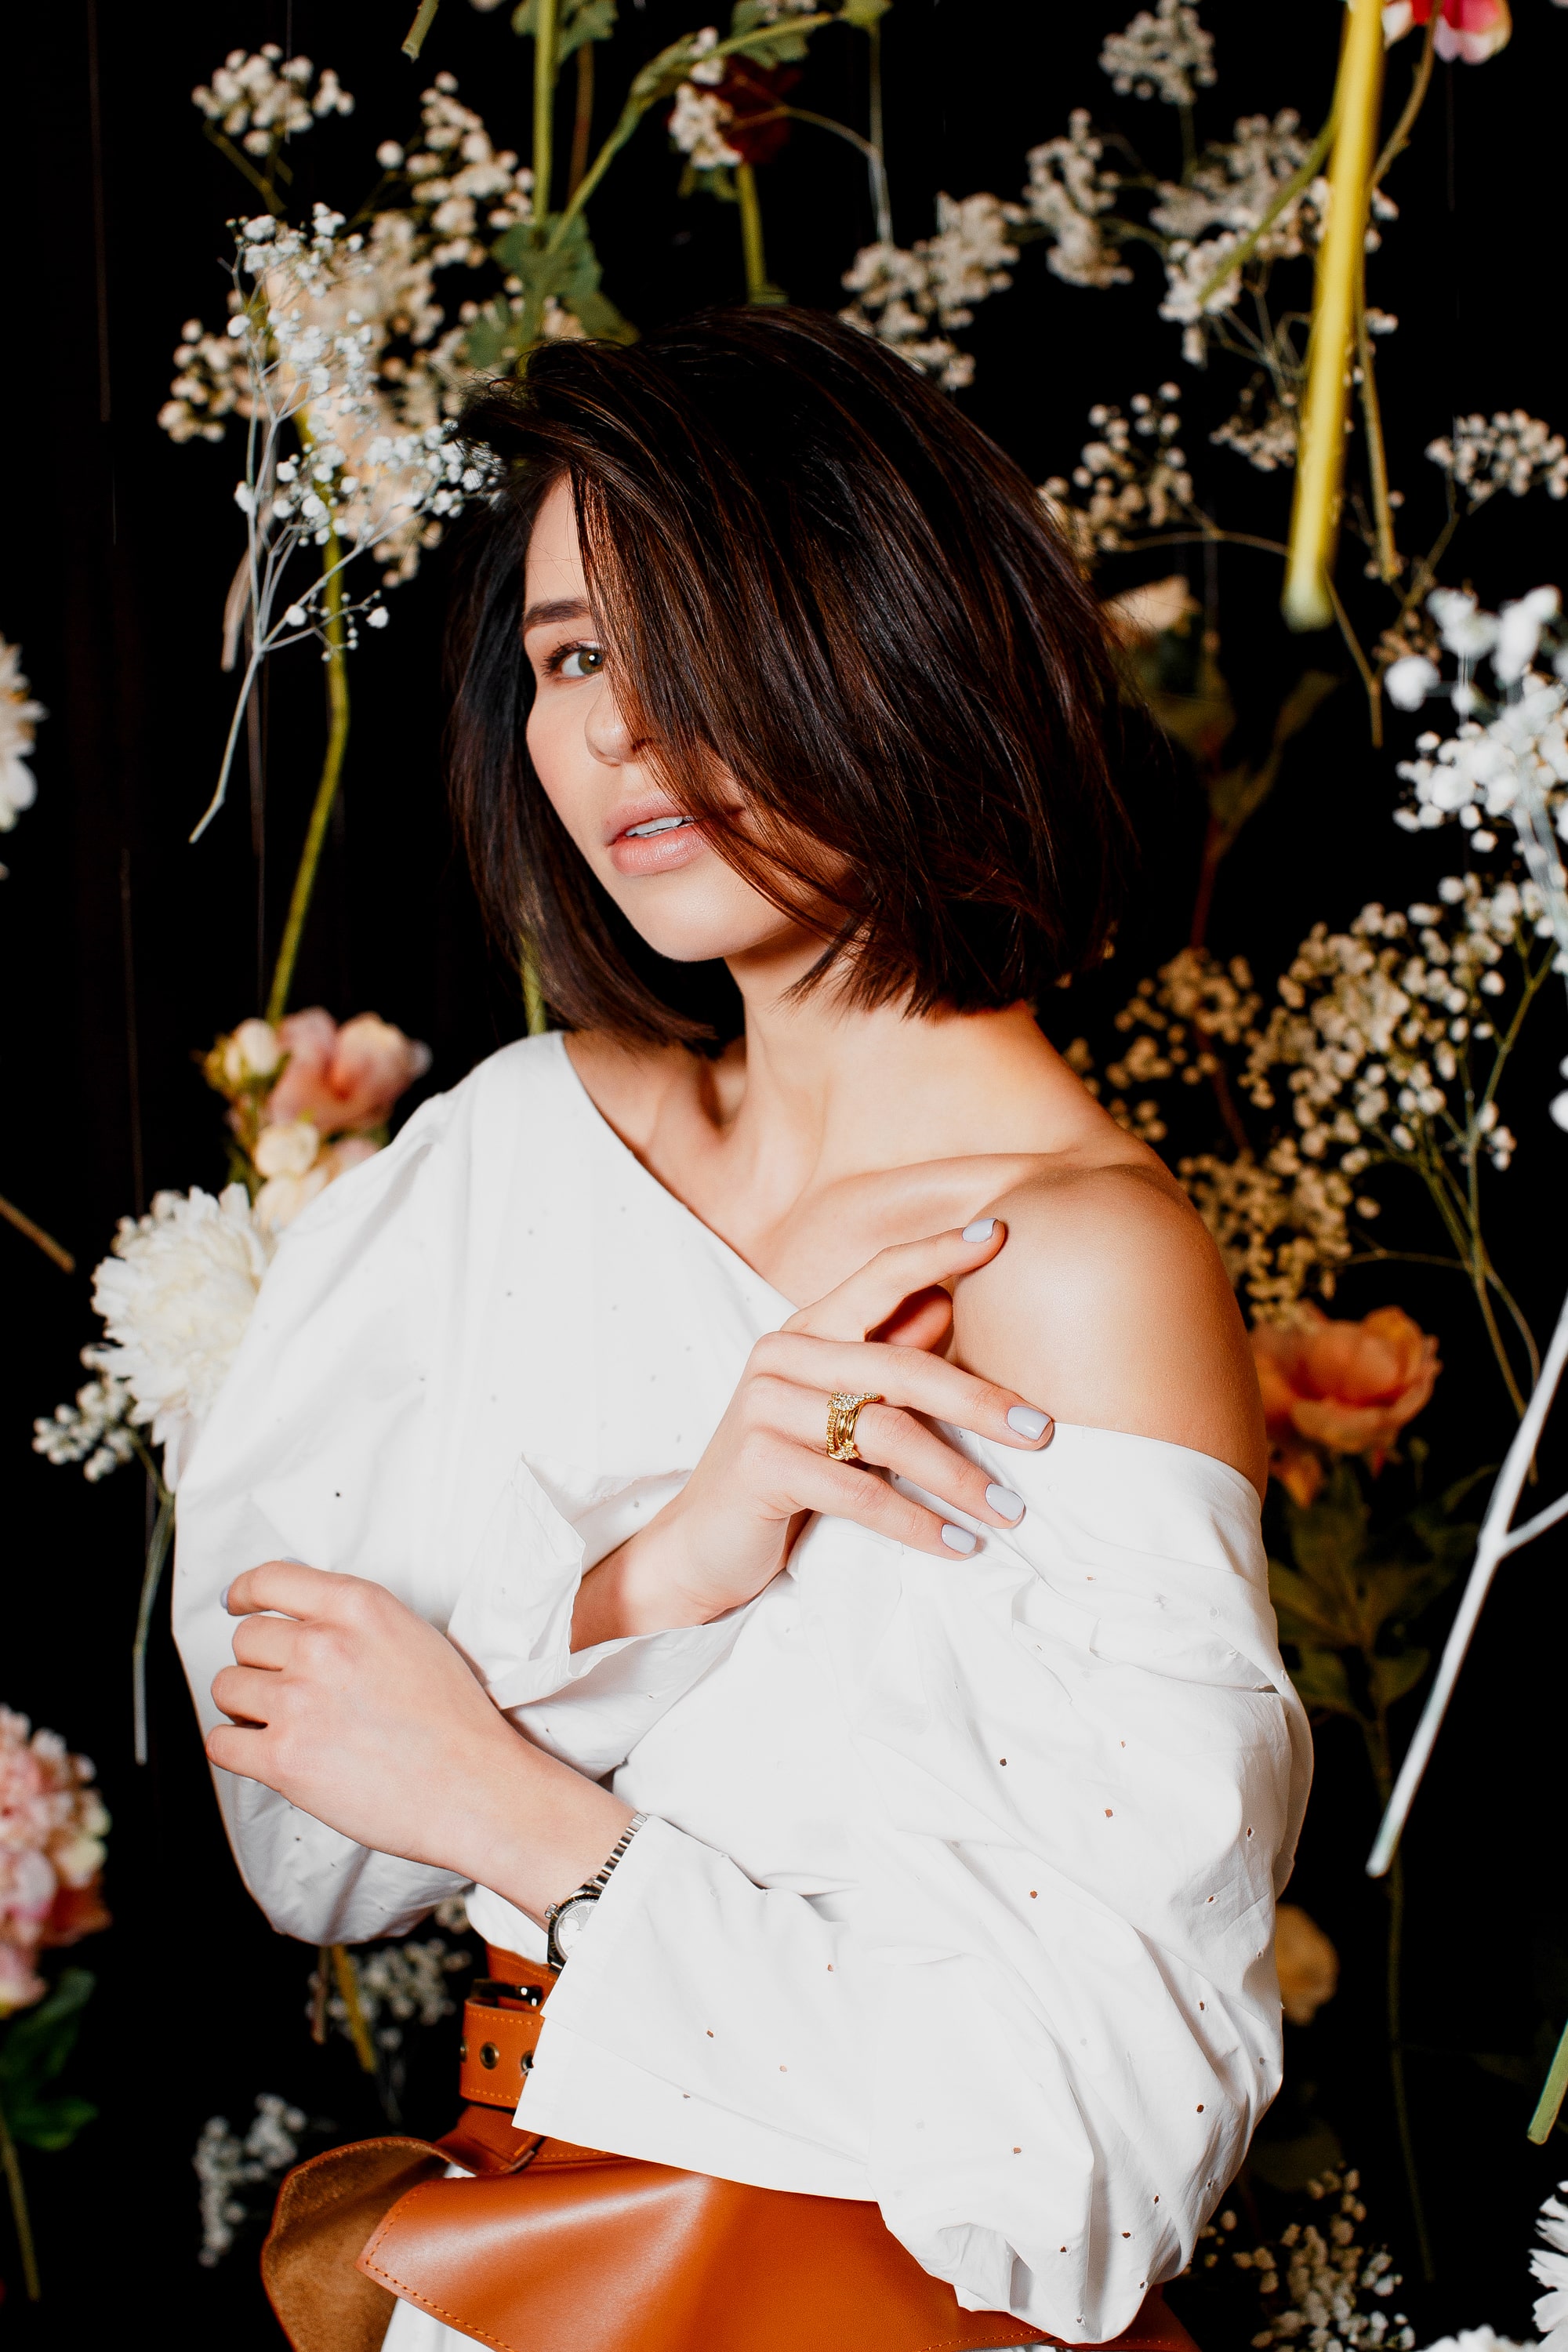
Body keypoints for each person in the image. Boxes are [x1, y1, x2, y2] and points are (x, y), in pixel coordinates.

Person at [172, 307, 1309, 2350]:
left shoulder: (1064, 1267)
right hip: (499, 2281)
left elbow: (1098, 2156)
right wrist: (660, 1576)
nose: (616, 728)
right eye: (568, 657)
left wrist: (525, 1820)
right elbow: (306, 1834)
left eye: (685, 634)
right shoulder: (514, 1151)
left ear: (889, 637)